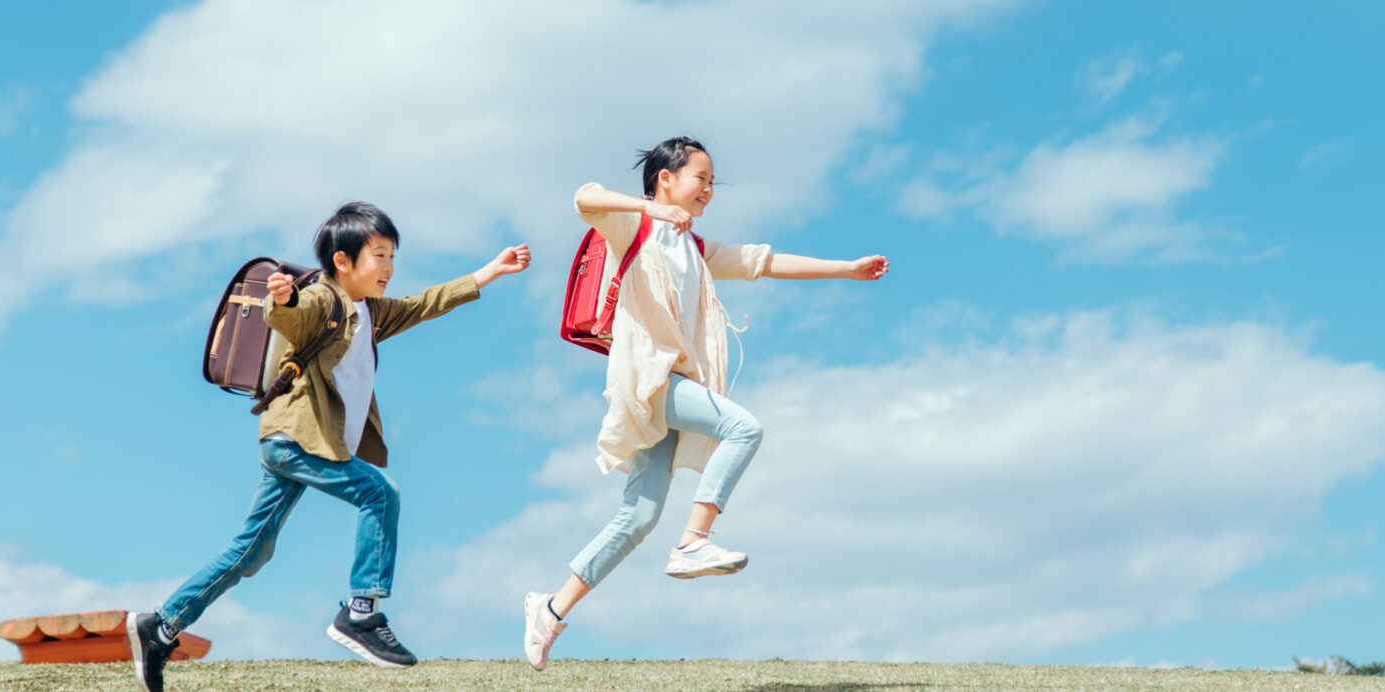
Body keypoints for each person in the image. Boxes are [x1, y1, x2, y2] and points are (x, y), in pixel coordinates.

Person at [126, 201, 531, 691]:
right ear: (343, 260)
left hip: (293, 443)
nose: (389, 267)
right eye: (379, 255)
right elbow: (293, 317)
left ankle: (161, 627)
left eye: (392, 256)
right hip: (295, 438)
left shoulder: (371, 311)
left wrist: (489, 272)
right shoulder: (324, 298)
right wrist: (282, 299)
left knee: (251, 552)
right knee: (380, 493)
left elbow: (425, 303)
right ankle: (360, 614)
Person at [522, 137, 890, 670]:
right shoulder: (635, 227)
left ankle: (549, 611)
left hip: (674, 387)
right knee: (743, 428)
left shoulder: (695, 248)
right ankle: (695, 539)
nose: (709, 190)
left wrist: (846, 269)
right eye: (701, 178)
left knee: (637, 518)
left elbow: (764, 261)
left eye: (713, 182)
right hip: (649, 379)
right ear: (666, 179)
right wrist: (651, 208)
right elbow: (586, 198)